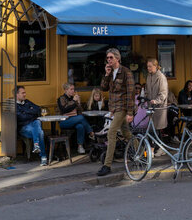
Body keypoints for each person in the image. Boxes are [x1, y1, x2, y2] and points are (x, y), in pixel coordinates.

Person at [97, 48, 135, 176]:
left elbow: (131, 93)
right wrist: (106, 75)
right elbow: (103, 88)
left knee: (111, 132)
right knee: (126, 132)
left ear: (117, 58)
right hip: (114, 108)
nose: (109, 60)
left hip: (123, 107)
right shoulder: (111, 72)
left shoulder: (126, 72)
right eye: (107, 58)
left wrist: (130, 112)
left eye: (111, 57)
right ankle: (142, 151)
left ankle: (107, 165)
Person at [57, 83, 94, 154]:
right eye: (71, 89)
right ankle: (91, 132)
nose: (73, 91)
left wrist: (79, 103)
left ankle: (80, 146)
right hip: (64, 121)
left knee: (80, 126)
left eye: (73, 89)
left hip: (75, 120)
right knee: (80, 118)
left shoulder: (74, 98)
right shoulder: (61, 98)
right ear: (66, 90)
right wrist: (74, 101)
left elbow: (80, 111)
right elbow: (64, 110)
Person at [16, 86, 47, 166]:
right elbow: (21, 117)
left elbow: (38, 109)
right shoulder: (15, 105)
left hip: (33, 124)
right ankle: (43, 157)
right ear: (17, 94)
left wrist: (26, 111)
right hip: (23, 128)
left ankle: (36, 145)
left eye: (25, 92)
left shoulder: (27, 102)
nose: (25, 94)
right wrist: (31, 111)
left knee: (37, 122)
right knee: (40, 133)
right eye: (23, 93)